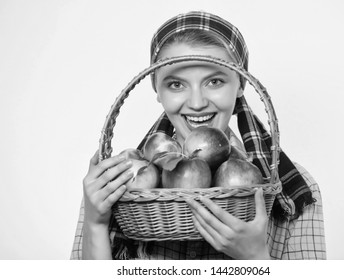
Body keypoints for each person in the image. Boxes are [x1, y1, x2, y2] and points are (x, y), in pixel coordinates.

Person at [71, 11, 326, 260]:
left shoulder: (289, 188)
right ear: (157, 91)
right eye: (176, 84)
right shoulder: (115, 182)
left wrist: (255, 258)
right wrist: (95, 224)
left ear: (241, 85)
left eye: (214, 81)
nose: (196, 102)